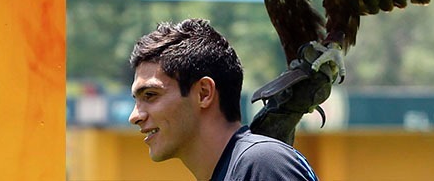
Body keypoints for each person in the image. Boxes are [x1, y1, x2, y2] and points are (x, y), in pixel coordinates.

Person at [128, 18, 319, 181]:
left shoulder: (262, 164)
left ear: (204, 93)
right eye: (136, 100)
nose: (135, 116)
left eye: (150, 95)